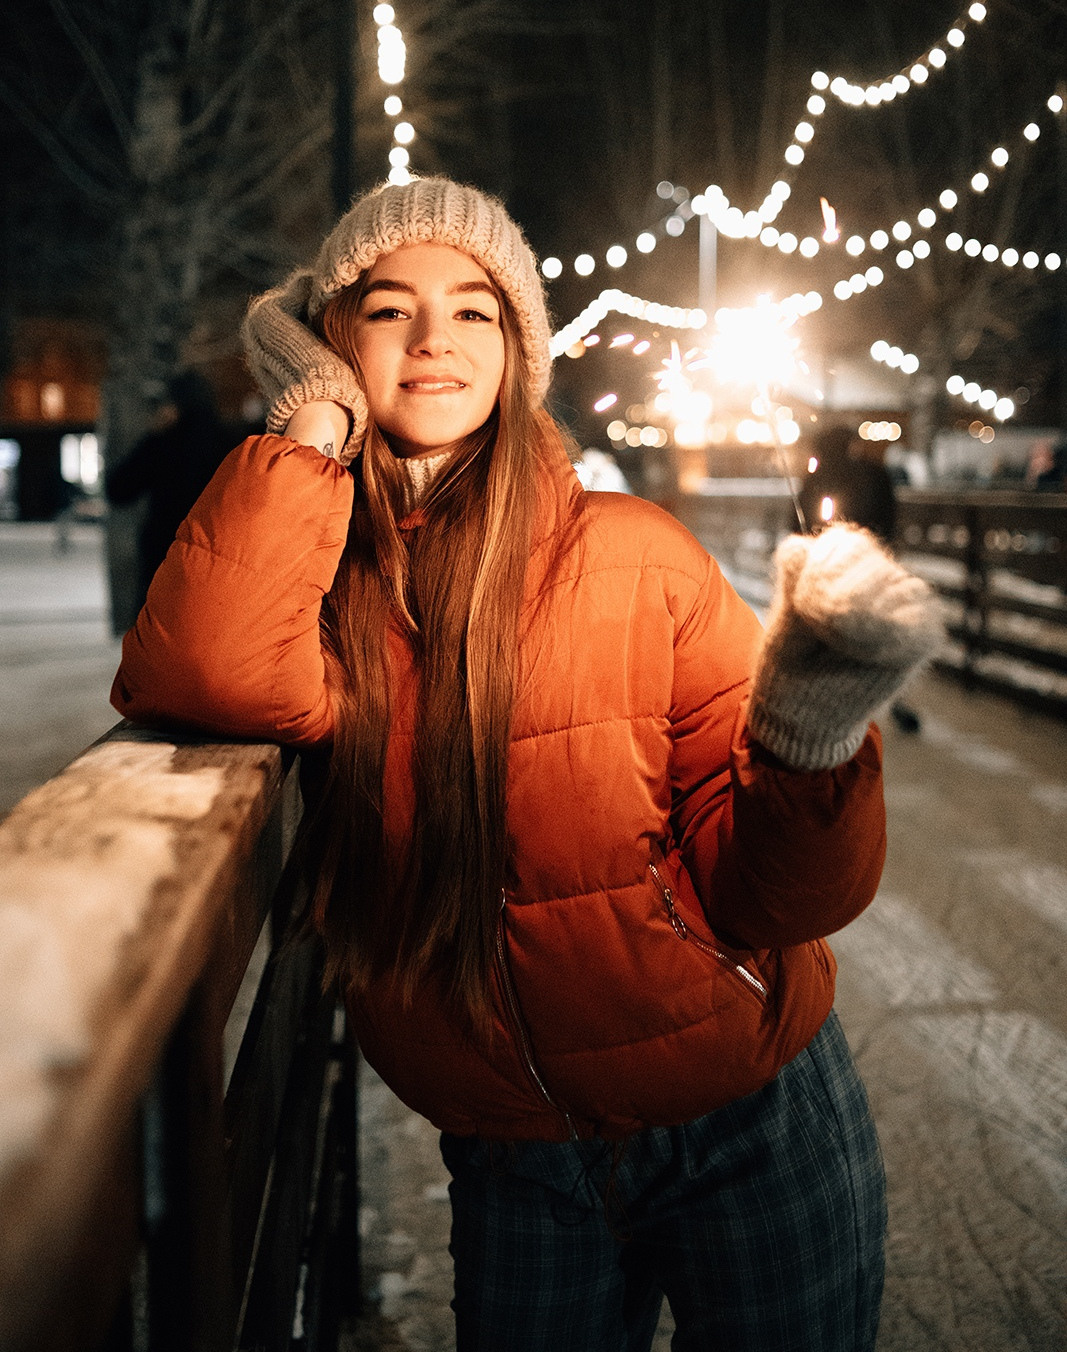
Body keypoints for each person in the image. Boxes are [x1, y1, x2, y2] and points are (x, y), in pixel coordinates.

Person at [112, 178, 941, 1352]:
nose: (435, 338)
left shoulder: (637, 556)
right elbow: (195, 664)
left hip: (747, 1115)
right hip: (516, 1157)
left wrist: (808, 735)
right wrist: (307, 421)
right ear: (332, 345)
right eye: (388, 310)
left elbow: (787, 902)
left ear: (517, 351)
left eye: (475, 311)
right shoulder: (329, 598)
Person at [799, 424, 923, 734]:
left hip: (830, 567)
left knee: (832, 635)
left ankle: (837, 706)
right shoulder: (872, 473)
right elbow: (890, 517)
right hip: (868, 565)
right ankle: (893, 702)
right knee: (878, 633)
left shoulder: (817, 478)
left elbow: (800, 523)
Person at [105, 368, 235, 610]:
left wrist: (152, 437)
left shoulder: (163, 444)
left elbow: (118, 489)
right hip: (214, 559)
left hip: (165, 555)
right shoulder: (228, 443)